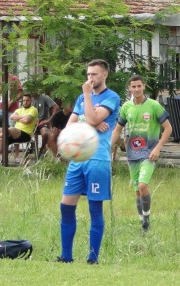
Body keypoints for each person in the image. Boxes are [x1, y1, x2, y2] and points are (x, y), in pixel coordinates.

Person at [56, 59, 120, 264]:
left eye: (94, 74)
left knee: (94, 208)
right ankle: (66, 256)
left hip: (97, 159)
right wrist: (89, 120)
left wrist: (88, 102)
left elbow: (92, 119)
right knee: (66, 206)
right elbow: (70, 126)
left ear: (105, 75)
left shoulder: (112, 97)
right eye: (88, 74)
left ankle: (93, 258)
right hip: (78, 158)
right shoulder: (80, 99)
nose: (90, 78)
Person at [111, 75, 172, 232]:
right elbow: (118, 129)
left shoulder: (154, 106)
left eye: (139, 86)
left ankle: (147, 218)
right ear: (129, 88)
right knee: (137, 190)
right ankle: (142, 222)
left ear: (144, 86)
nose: (136, 89)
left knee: (143, 185)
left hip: (149, 153)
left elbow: (168, 128)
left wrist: (158, 148)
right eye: (133, 87)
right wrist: (108, 147)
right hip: (132, 154)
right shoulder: (126, 107)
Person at [0, 94, 38, 166]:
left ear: (31, 101)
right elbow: (12, 117)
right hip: (13, 134)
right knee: (0, 140)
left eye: (27, 100)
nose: (25, 102)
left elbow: (26, 121)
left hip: (26, 134)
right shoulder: (19, 110)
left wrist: (18, 118)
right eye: (24, 100)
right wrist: (23, 117)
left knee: (11, 129)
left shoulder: (33, 109)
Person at [32, 92, 59, 157]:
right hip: (31, 123)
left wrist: (49, 120)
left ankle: (41, 150)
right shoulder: (28, 99)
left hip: (42, 123)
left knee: (45, 134)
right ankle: (32, 148)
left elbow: (56, 107)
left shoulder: (44, 97)